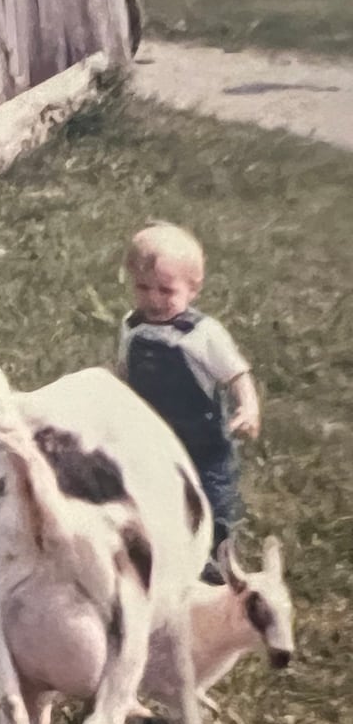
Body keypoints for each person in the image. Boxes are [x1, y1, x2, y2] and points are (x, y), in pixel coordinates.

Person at [115, 222, 260, 583]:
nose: (153, 299)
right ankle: (157, 551)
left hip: (203, 443)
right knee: (154, 497)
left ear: (193, 289)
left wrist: (248, 406)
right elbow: (124, 371)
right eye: (143, 287)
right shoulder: (132, 327)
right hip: (153, 436)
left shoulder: (202, 335)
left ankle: (218, 561)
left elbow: (236, 374)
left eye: (167, 290)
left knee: (213, 502)